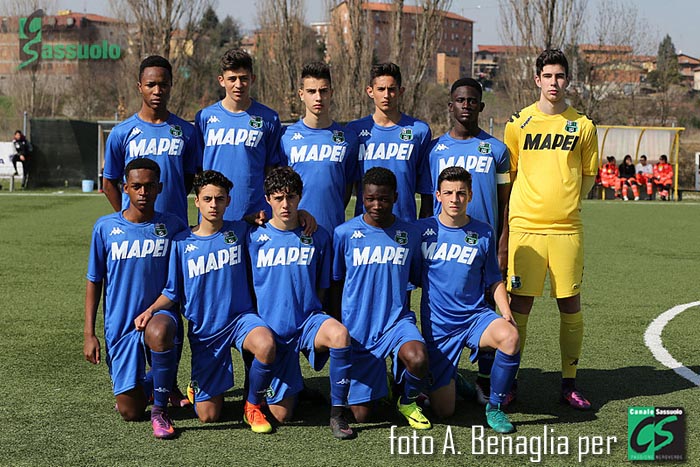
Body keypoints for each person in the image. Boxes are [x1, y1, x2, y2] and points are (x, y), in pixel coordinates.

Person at [135, 170, 277, 433]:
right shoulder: (181, 243)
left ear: (228, 202)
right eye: (208, 199)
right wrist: (150, 310)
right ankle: (197, 388)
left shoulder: (241, 231)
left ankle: (253, 406)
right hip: (205, 332)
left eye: (220, 199)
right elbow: (172, 292)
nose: (214, 205)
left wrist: (303, 215)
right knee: (208, 416)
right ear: (197, 201)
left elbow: (277, 225)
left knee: (266, 344)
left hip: (240, 320)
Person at [503, 49, 599, 410]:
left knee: (570, 305)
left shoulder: (583, 126)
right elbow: (509, 175)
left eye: (560, 76)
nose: (554, 83)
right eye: (548, 76)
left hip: (566, 230)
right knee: (519, 307)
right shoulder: (519, 123)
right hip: (525, 228)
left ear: (567, 80)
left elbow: (588, 175)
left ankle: (568, 383)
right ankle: (509, 382)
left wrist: (568, 203)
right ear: (537, 79)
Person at [84, 158, 188, 439]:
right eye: (137, 186)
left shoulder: (173, 226)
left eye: (150, 186)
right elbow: (94, 281)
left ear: (160, 188)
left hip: (159, 315)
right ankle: (159, 384)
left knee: (160, 329)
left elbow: (205, 239)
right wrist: (89, 333)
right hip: (120, 324)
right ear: (125, 188)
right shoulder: (105, 228)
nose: (143, 192)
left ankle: (160, 411)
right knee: (130, 412)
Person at [248, 166, 354, 439]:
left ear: (300, 197)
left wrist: (314, 312)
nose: (286, 204)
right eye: (278, 197)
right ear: (268, 198)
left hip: (308, 322)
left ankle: (338, 412)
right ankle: (295, 385)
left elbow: (322, 286)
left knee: (340, 335)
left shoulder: (317, 235)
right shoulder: (252, 237)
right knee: (283, 415)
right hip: (272, 330)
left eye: (292, 197)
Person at [426, 77, 511, 405]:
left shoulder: (497, 149)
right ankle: (445, 374)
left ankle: (486, 382)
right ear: (451, 106)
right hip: (444, 250)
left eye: (472, 100)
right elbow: (426, 203)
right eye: (460, 100)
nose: (466, 105)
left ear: (481, 106)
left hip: (482, 249)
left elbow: (506, 203)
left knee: (488, 311)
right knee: (443, 312)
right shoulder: (435, 149)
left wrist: (502, 244)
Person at [418, 166, 520, 433]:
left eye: (461, 193)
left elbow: (494, 278)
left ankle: (495, 407)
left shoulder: (484, 232)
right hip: (439, 327)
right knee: (444, 411)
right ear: (437, 195)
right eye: (449, 193)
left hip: (476, 318)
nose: (455, 199)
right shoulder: (421, 231)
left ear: (470, 196)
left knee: (510, 337)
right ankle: (454, 379)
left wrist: (506, 311)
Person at [331, 167, 431, 429]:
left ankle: (407, 400)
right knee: (363, 416)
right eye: (370, 198)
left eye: (384, 199)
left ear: (396, 197)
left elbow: (416, 276)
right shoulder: (344, 234)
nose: (377, 205)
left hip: (396, 323)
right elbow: (337, 281)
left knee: (418, 358)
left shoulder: (410, 234)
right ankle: (384, 381)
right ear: (361, 196)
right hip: (359, 331)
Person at [103, 55, 198, 225]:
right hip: (135, 229)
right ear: (140, 87)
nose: (157, 91)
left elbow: (188, 177)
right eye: (150, 85)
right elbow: (109, 182)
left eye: (163, 85)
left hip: (175, 226)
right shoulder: (121, 133)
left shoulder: (188, 132)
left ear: (171, 86)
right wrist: (126, 218)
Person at [195, 48, 283, 221]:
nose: (238, 84)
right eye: (232, 79)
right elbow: (198, 170)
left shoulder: (269, 118)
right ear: (221, 81)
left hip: (256, 215)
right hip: (214, 217)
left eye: (243, 78)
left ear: (253, 79)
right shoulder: (204, 118)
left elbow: (271, 170)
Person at [279, 61, 359, 233]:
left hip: (332, 230)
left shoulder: (348, 138)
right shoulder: (285, 137)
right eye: (311, 91)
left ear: (331, 93)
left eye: (323, 91)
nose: (318, 97)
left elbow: (347, 189)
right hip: (294, 231)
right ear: (301, 94)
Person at [346, 63, 433, 222]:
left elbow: (427, 189)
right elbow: (346, 184)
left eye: (391, 89)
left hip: (405, 224)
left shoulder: (419, 131)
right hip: (364, 225)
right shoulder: (354, 131)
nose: (386, 95)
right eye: (381, 89)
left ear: (401, 91)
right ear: (370, 91)